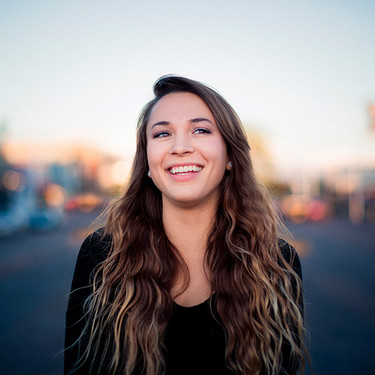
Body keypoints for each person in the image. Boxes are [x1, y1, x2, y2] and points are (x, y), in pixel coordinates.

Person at [64, 75, 308, 375]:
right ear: (148, 163)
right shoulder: (101, 256)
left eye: (201, 130)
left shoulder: (277, 262)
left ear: (230, 155)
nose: (180, 147)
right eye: (162, 134)